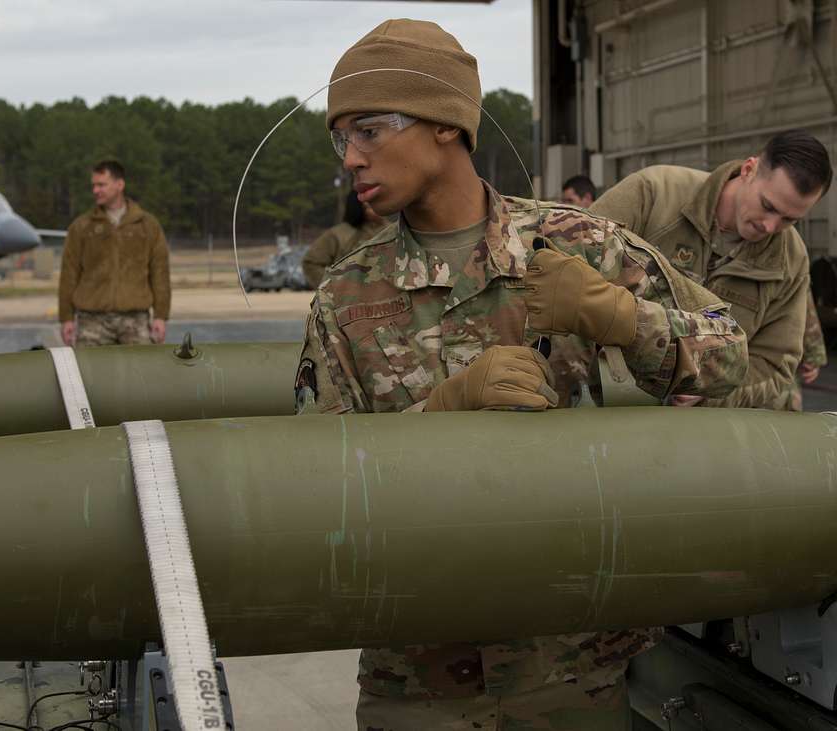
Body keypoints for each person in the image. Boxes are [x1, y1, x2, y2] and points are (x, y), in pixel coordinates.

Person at [296, 18, 747, 729]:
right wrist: (436, 416)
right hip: (417, 681)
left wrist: (624, 318)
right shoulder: (345, 297)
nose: (350, 158)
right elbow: (312, 496)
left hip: (571, 672)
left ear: (447, 123)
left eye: (369, 130)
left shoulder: (582, 246)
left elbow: (729, 357)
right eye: (340, 138)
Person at [591, 130, 833, 409]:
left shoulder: (790, 260)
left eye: (788, 219)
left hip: (701, 421)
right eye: (767, 206)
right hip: (606, 394)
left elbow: (774, 364)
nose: (770, 226)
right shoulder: (656, 193)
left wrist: (711, 391)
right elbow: (572, 258)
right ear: (749, 170)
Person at [58, 160, 171, 347]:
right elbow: (69, 274)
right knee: (89, 375)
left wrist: (160, 316)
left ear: (120, 184)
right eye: (94, 185)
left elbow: (160, 273)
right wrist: (66, 318)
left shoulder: (147, 226)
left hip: (135, 321)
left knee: (140, 374)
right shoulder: (81, 227)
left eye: (101, 184)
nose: (95, 190)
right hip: (91, 322)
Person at [302, 189, 387, 288]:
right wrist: (335, 285)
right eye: (370, 206)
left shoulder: (396, 230)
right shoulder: (339, 234)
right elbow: (311, 263)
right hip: (351, 298)